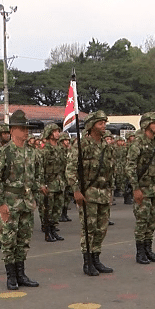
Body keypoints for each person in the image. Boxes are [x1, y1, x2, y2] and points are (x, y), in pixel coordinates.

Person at [0, 110, 41, 289]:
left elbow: (36, 176)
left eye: (27, 129)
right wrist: (1, 202)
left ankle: (21, 273)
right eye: (21, 128)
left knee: (24, 240)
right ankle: (11, 276)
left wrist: (35, 198)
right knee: (8, 239)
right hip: (10, 203)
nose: (26, 132)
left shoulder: (32, 153)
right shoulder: (5, 152)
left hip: (26, 202)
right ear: (12, 131)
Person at [66, 110, 115, 277]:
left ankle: (96, 258)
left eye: (104, 123)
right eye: (100, 123)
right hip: (88, 193)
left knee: (102, 228)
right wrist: (76, 191)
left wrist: (110, 191)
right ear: (91, 126)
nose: (104, 126)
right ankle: (87, 262)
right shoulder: (81, 145)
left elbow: (110, 171)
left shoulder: (105, 146)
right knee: (89, 228)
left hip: (103, 192)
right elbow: (71, 169)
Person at [126, 111, 155, 265]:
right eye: (154, 123)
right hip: (142, 188)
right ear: (146, 124)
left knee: (153, 220)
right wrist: (135, 188)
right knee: (142, 220)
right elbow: (130, 167)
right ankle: (140, 252)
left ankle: (149, 249)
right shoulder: (138, 143)